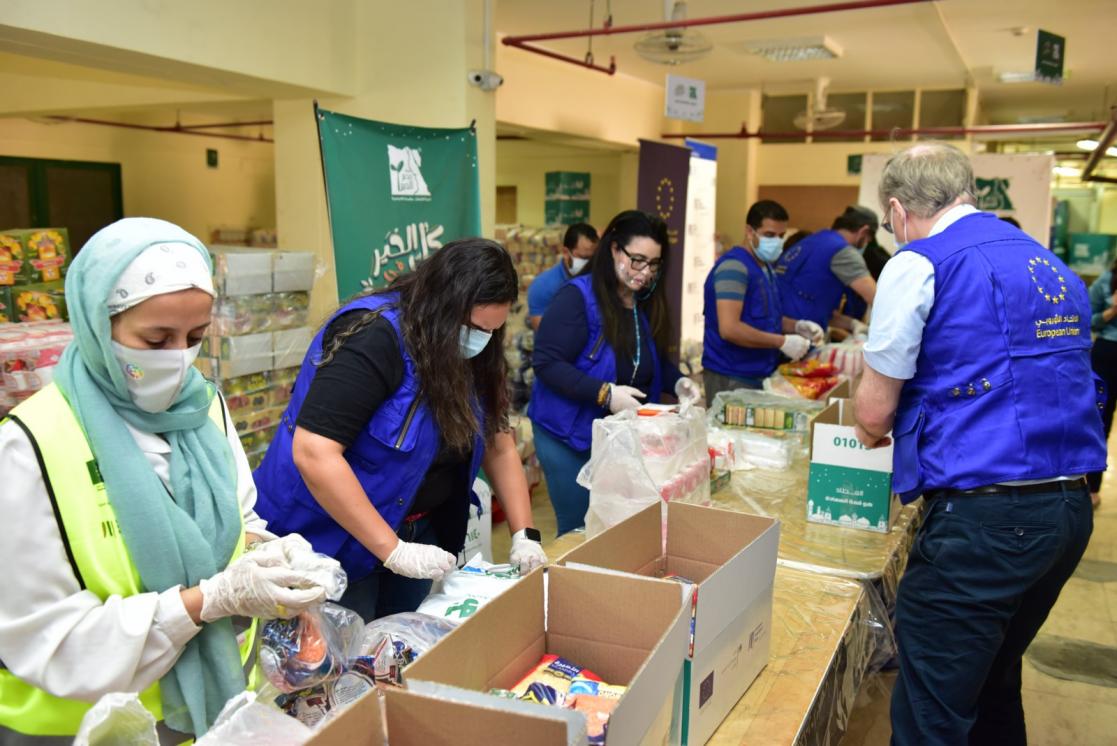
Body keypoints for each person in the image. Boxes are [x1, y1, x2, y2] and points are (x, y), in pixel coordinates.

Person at [0, 218, 338, 741]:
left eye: (195, 338)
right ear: (96, 323)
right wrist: (209, 601)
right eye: (155, 338)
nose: (178, 360)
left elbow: (237, 519)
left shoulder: (204, 409)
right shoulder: (29, 446)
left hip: (213, 706)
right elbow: (45, 635)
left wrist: (269, 558)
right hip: (83, 726)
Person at [852, 143, 1105, 745]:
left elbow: (873, 413)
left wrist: (876, 425)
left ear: (895, 208)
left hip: (986, 519)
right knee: (993, 682)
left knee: (931, 713)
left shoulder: (920, 263)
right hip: (1067, 510)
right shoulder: (1047, 264)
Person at [254, 239, 546, 623]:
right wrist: (392, 550)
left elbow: (499, 443)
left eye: (492, 330)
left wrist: (525, 535)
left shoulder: (477, 352)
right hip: (329, 536)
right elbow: (314, 452)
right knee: (339, 662)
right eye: (474, 328)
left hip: (416, 531)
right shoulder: (375, 337)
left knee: (397, 650)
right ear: (442, 305)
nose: (480, 340)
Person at [530, 210, 698, 536]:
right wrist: (605, 394)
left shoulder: (639, 300)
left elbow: (644, 356)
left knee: (617, 528)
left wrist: (679, 380)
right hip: (568, 435)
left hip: (616, 435)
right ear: (613, 250)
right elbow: (547, 362)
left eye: (653, 264)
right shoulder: (577, 297)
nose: (645, 272)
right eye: (637, 260)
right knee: (580, 530)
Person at [701, 200, 824, 402]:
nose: (776, 241)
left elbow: (766, 317)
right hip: (732, 375)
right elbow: (729, 328)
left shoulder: (765, 268)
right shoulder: (734, 268)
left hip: (759, 373)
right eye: (769, 235)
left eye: (781, 236)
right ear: (750, 231)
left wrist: (797, 326)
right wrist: (782, 342)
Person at [775, 205, 879, 337]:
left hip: (777, 328)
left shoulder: (811, 241)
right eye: (868, 240)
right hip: (797, 338)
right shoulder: (844, 252)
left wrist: (852, 324)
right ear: (864, 231)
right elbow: (876, 298)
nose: (866, 244)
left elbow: (816, 306)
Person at [526, 223, 599, 330]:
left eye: (593, 258)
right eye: (584, 258)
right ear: (565, 252)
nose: (589, 264)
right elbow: (544, 334)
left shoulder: (598, 281)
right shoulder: (543, 287)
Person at [1087, 258, 1117, 508]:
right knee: (1100, 420)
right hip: (1108, 352)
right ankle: (1093, 486)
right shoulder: (1106, 281)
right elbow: (1087, 319)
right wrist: (1112, 310)